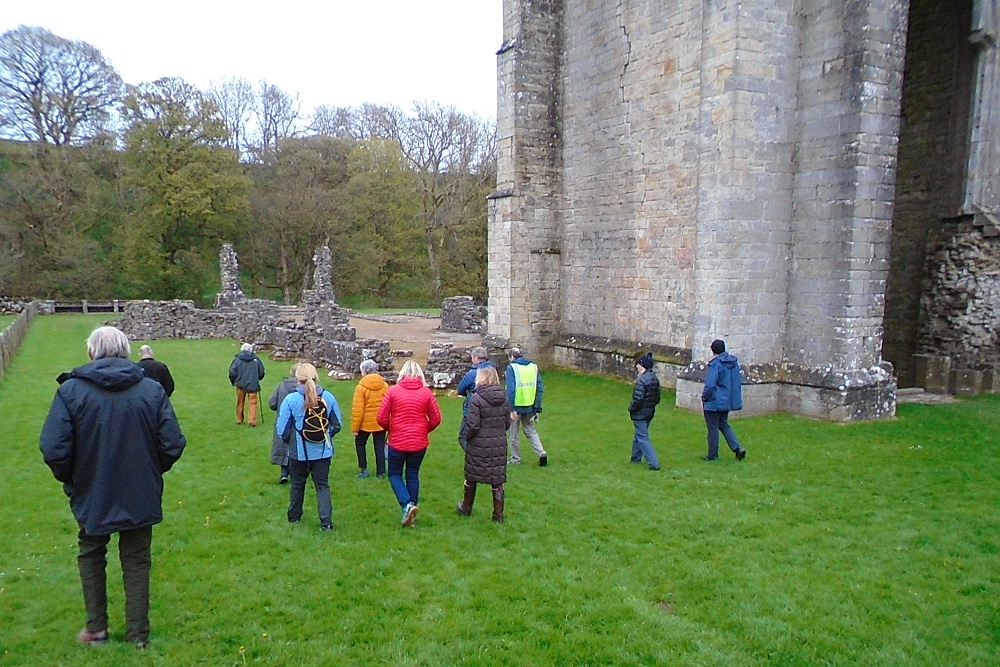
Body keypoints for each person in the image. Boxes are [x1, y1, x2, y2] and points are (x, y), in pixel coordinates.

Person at [39, 326, 186, 649]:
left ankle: (97, 628)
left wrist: (75, 478)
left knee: (92, 552)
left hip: (93, 487)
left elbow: (54, 448)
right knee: (135, 559)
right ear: (126, 352)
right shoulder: (149, 390)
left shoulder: (73, 392)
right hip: (135, 487)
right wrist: (150, 470)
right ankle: (137, 635)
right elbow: (171, 443)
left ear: (91, 353)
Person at [276, 363, 342, 531]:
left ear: (298, 379)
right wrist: (325, 435)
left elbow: (281, 429)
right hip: (322, 451)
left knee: (298, 484)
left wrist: (290, 440)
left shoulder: (291, 399)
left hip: (298, 452)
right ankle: (326, 522)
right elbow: (337, 424)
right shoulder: (328, 397)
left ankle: (294, 517)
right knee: (322, 485)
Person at [376, 360, 442, 527]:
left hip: (397, 441)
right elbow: (436, 419)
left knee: (394, 474)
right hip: (419, 442)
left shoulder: (393, 392)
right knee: (412, 473)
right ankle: (411, 511)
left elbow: (381, 417)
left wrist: (391, 428)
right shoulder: (426, 393)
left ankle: (407, 505)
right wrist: (423, 429)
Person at [456, 366, 510, 522]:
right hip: (498, 443)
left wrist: (469, 438)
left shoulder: (476, 398)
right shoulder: (504, 397)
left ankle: (466, 508)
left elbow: (472, 425)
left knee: (471, 476)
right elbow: (507, 423)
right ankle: (498, 515)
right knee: (497, 479)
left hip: (478, 443)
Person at [701, 339, 748, 461]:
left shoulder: (716, 364)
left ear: (713, 350)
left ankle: (712, 455)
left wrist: (705, 397)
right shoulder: (733, 363)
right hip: (726, 400)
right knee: (723, 424)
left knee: (713, 429)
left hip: (714, 400)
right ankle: (737, 448)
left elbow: (710, 384)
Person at [505, 347, 548, 466]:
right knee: (530, 430)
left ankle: (516, 459)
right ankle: (541, 452)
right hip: (529, 404)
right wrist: (537, 408)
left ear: (512, 357)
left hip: (517, 405)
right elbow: (539, 388)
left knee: (513, 434)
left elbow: (511, 389)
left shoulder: (511, 368)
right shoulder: (533, 367)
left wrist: (511, 408)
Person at [351, 359, 389, 479]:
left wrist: (355, 428)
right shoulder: (385, 385)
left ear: (364, 371)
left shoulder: (361, 387)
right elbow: (389, 405)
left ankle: (364, 470)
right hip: (380, 422)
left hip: (365, 424)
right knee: (379, 446)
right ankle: (381, 472)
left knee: (360, 443)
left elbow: (358, 409)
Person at [456, 346, 496, 451]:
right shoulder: (492, 370)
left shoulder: (472, 373)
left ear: (476, 358)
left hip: (472, 408)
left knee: (463, 436)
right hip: (491, 408)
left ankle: (475, 456)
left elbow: (460, 389)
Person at [267, 363, 301, 484]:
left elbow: (272, 403)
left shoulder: (282, 386)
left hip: (284, 420)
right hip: (299, 421)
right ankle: (296, 474)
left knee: (283, 444)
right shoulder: (306, 387)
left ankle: (284, 473)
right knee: (297, 446)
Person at [628, 352, 662, 470]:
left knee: (642, 438)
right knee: (639, 435)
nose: (636, 366)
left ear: (642, 365)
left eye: (638, 364)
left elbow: (637, 400)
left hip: (640, 413)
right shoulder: (654, 379)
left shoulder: (641, 381)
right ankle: (635, 458)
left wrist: (631, 408)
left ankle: (654, 463)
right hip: (649, 412)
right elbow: (657, 398)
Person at [229, 342, 265, 427]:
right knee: (253, 402)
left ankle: (239, 419)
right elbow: (261, 372)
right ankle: (252, 421)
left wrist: (233, 381)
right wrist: (257, 379)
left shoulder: (237, 359)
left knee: (240, 401)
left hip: (240, 384)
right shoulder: (256, 359)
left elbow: (232, 372)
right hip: (253, 384)